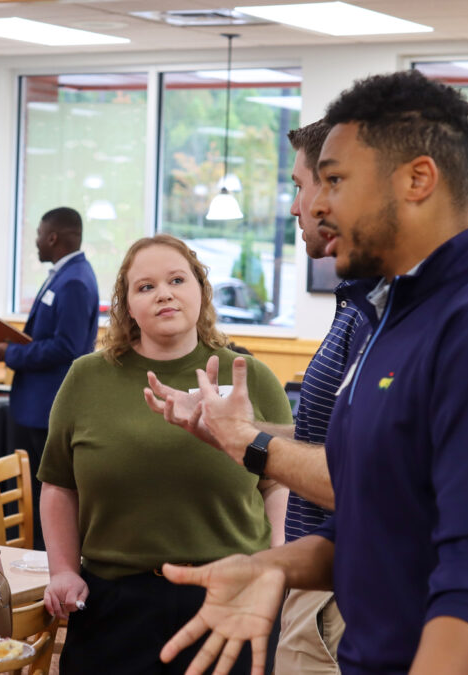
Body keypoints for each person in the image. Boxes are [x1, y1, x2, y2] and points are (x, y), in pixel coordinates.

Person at [156, 70, 468, 675]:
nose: (318, 204)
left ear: (418, 179)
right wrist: (273, 565)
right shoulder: (393, 320)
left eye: (335, 180)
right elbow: (388, 520)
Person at [147, 119, 370, 674]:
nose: (296, 208)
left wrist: (249, 442)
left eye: (301, 186)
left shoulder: (393, 319)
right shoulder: (358, 306)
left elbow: (364, 483)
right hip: (315, 582)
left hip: (338, 600)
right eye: (146, 286)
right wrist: (227, 431)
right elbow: (334, 446)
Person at [38, 234, 291, 674]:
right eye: (146, 286)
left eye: (177, 279)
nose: (164, 294)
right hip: (113, 603)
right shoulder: (86, 378)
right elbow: (59, 485)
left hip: (232, 594)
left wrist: (274, 566)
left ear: (201, 290)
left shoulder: (250, 376)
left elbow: (279, 485)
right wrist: (62, 569)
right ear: (127, 305)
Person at [0, 206, 98, 550]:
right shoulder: (62, 275)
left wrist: (13, 353)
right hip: (34, 403)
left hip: (48, 405)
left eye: (39, 233)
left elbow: (66, 347)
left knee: (45, 494)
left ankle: (44, 559)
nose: (36, 240)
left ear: (53, 237)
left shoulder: (75, 281)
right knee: (32, 492)